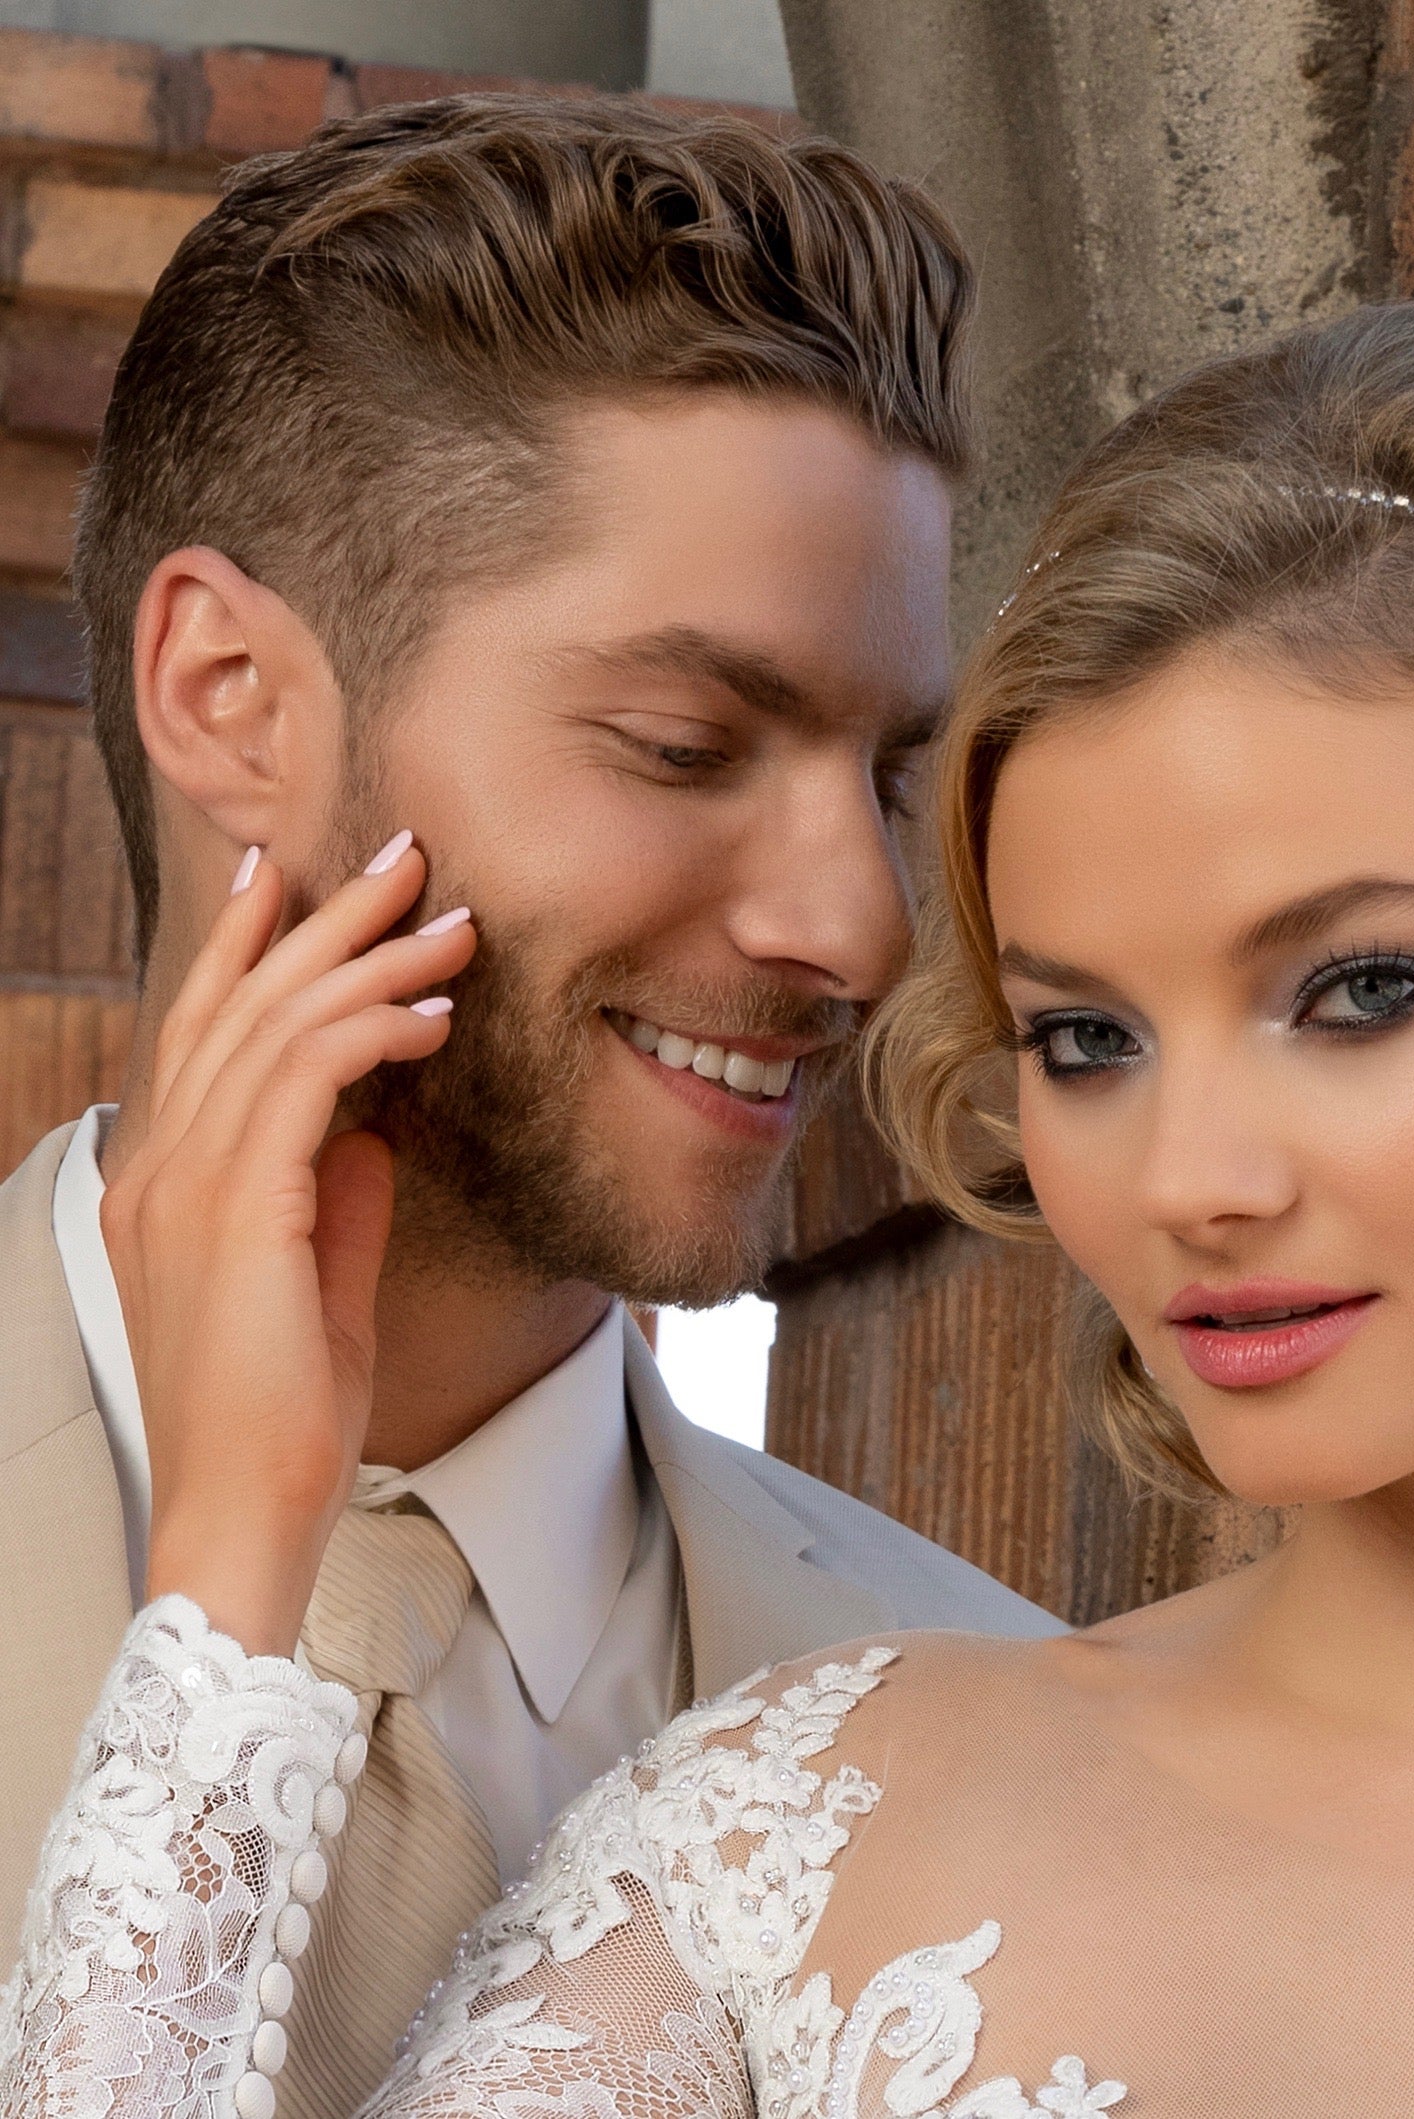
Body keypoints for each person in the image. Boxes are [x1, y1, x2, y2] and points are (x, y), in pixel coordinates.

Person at [11, 299, 1414, 2119]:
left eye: (1361, 987)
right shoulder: (800, 1834)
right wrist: (232, 1568)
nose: (1190, 1178)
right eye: (1088, 1038)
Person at [0, 90, 1061, 2119]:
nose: (854, 919)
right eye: (681, 742)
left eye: (890, 780)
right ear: (229, 694)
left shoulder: (1015, 1727)